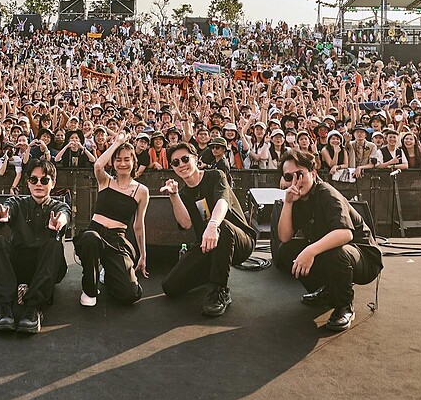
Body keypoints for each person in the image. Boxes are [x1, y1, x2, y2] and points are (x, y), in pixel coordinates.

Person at [272, 149, 383, 332]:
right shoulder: (297, 198)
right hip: (331, 251)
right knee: (286, 251)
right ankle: (329, 289)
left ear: (313, 173)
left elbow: (345, 234)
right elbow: (284, 237)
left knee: (335, 251)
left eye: (300, 174)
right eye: (288, 176)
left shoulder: (326, 193)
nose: (296, 181)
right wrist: (289, 202)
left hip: (363, 257)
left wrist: (310, 251)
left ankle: (344, 306)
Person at [160, 142, 257, 317]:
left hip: (238, 240)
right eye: (176, 163)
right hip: (208, 246)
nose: (181, 165)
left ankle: (220, 290)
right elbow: (186, 223)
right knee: (170, 287)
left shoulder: (215, 176)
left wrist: (212, 225)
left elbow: (223, 202)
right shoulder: (183, 194)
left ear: (196, 159)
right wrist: (174, 196)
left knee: (223, 227)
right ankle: (212, 271)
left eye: (185, 159)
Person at [0, 159, 71, 334]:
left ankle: (34, 308)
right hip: (19, 265)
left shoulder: (60, 206)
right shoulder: (17, 203)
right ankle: (4, 308)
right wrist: (1, 215)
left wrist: (60, 222)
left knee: (54, 245)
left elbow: (64, 215)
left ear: (53, 183)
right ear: (28, 182)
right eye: (34, 180)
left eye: (44, 180)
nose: (38, 184)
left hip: (45, 268)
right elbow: (7, 209)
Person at [75, 134, 148, 307]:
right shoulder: (105, 181)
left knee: (130, 294)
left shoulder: (141, 191)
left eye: (126, 159)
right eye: (118, 159)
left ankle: (108, 272)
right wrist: (118, 143)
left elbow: (138, 225)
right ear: (113, 163)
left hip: (117, 239)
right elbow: (98, 164)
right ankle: (89, 289)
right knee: (91, 239)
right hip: (95, 233)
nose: (122, 164)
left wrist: (143, 255)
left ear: (133, 161)